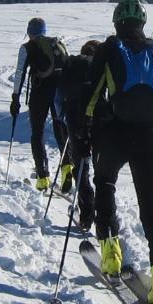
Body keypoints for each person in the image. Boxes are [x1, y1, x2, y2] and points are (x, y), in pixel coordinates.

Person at [82, 0, 153, 304]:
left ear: (117, 22)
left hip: (116, 131)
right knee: (151, 204)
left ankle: (111, 253)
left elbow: (92, 96)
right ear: (143, 22)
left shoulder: (109, 49)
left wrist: (86, 128)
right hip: (151, 135)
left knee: (105, 183)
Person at [10, 18, 68, 191]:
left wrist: (15, 97)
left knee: (37, 132)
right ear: (44, 30)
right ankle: (68, 168)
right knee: (60, 128)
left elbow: (20, 72)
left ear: (29, 31)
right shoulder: (56, 45)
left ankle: (43, 178)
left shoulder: (27, 48)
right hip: (59, 91)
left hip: (39, 92)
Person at [53, 39, 101, 230]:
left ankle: (87, 216)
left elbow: (58, 98)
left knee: (81, 169)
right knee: (103, 174)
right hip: (100, 121)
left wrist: (63, 118)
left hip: (75, 121)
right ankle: (104, 220)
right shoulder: (100, 67)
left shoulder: (72, 65)